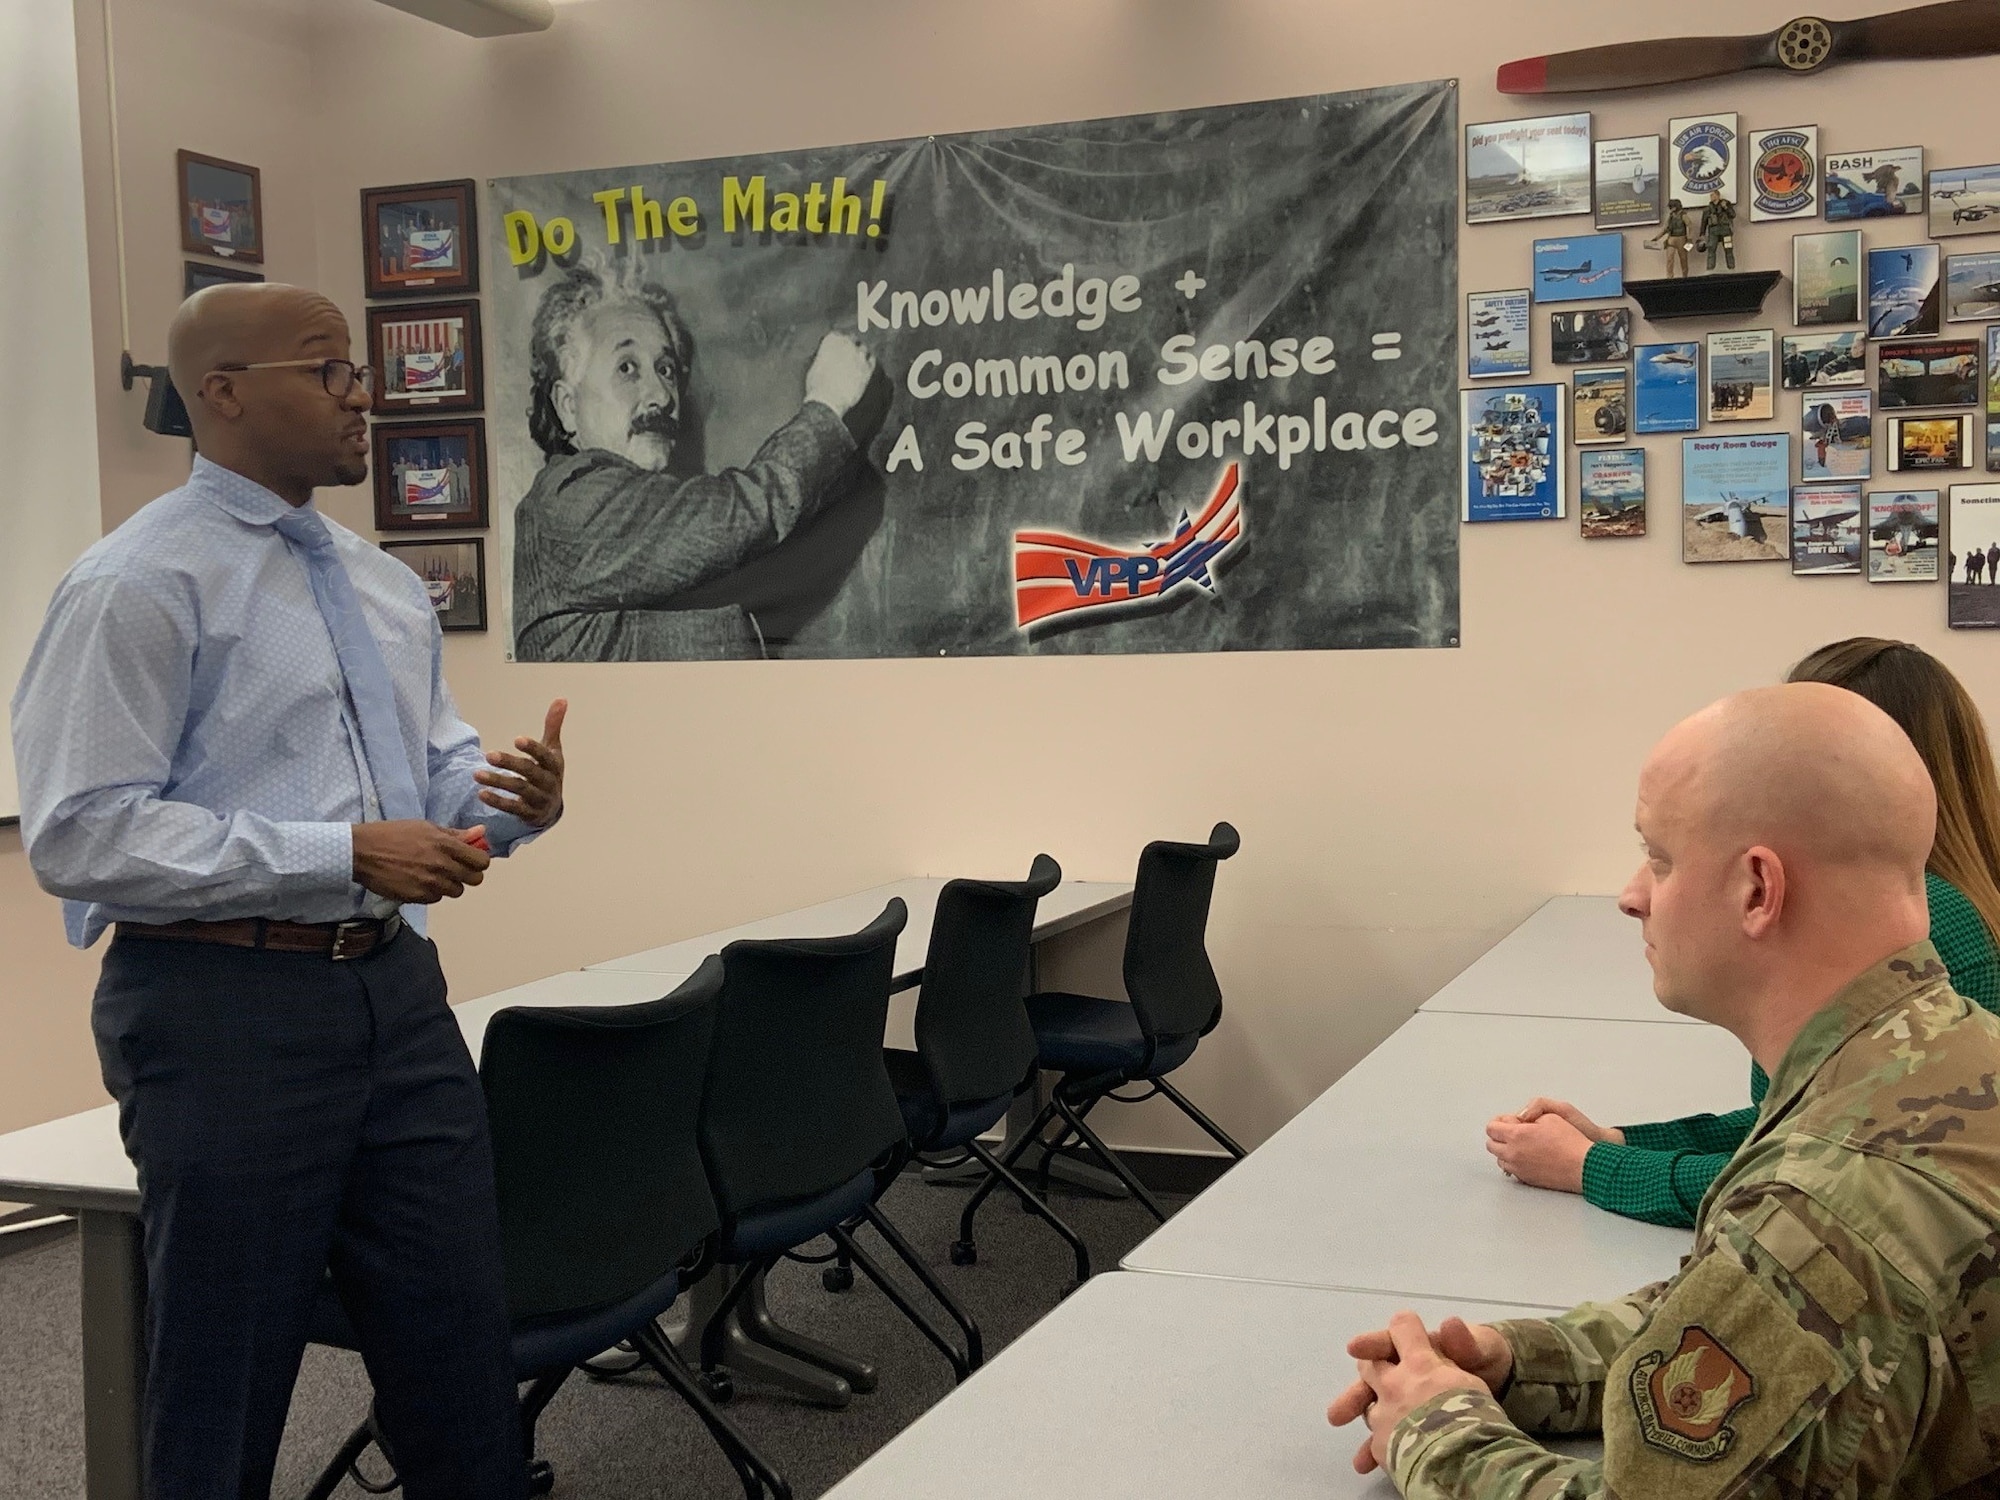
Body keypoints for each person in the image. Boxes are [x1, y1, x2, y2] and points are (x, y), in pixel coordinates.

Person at [11, 282, 567, 1499]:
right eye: (328, 371)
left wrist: (504, 806)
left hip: (396, 998)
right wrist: (343, 852)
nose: (362, 396)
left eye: (358, 370)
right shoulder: (135, 584)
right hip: (223, 1011)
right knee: (225, 1380)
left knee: (460, 1358)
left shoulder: (374, 580)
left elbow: (427, 769)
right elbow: (80, 833)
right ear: (220, 393)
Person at [1330, 683, 2000, 1496]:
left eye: (1660, 857)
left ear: (1758, 889)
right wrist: (1520, 1361)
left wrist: (1434, 1425)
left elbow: (1789, 1280)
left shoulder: (1824, 1205)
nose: (1631, 895)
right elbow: (1759, 1311)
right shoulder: (1953, 1053)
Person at [1487, 638, 2000, 1226]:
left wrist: (1593, 1166)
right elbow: (1793, 1119)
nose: (1632, 898)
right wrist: (1620, 1140)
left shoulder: (1925, 930)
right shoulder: (1943, 907)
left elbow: (1812, 1175)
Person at [510, 266, 889, 662]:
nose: (660, 394)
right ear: (568, 407)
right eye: (627, 367)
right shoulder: (570, 503)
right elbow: (741, 513)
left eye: (666, 369)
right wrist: (827, 402)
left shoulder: (650, 532)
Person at [1698, 189, 1736, 271]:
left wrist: (1725, 207)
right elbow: (1704, 222)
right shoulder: (1708, 209)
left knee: (1728, 249)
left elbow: (1733, 214)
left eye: (1713, 195)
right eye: (1711, 195)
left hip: (1725, 230)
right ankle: (1710, 269)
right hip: (1713, 231)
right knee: (1711, 250)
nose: (1711, 197)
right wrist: (1702, 233)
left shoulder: (1726, 204)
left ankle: (1731, 268)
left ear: (1718, 195)